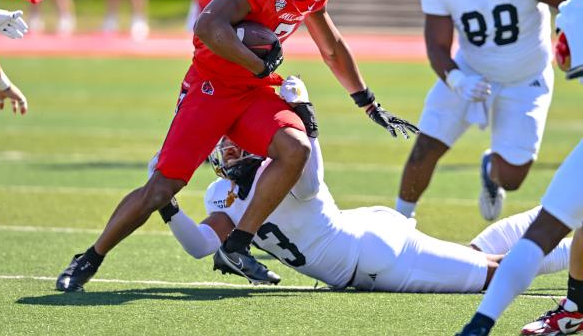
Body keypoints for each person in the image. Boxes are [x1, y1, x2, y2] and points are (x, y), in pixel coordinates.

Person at [55, 0, 418, 292]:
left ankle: (238, 245)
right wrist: (256, 63)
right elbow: (209, 26)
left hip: (252, 90)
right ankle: (90, 257)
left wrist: (367, 100)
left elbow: (331, 45)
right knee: (161, 190)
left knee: (296, 149)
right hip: (212, 87)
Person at [157, 75, 572, 292]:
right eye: (226, 144)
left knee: (494, 274)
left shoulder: (277, 168)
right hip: (367, 243)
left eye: (238, 140)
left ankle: (575, 242)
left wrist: (304, 118)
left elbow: (310, 181)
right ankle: (565, 212)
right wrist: (167, 202)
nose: (231, 151)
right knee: (476, 256)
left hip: (373, 259)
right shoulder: (220, 195)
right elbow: (199, 245)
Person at [395, 0, 577, 223]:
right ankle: (397, 223)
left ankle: (490, 171)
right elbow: (436, 44)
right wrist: (457, 78)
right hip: (471, 70)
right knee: (426, 147)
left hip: (527, 78)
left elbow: (569, 0)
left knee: (512, 176)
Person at [456, 0, 583, 336]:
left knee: (544, 230)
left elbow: (568, 54)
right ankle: (574, 308)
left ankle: (479, 325)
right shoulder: (575, 10)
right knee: (548, 227)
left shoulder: (575, 13)